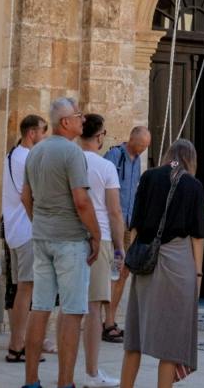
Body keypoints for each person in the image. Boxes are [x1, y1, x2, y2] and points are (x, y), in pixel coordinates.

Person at [21, 97, 104, 388]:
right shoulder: (72, 153)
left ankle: (31, 381)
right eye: (79, 116)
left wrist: (40, 222)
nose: (83, 120)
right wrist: (96, 234)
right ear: (65, 122)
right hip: (69, 240)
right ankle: (65, 382)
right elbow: (81, 201)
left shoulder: (35, 151)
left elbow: (25, 197)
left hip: (42, 237)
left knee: (40, 307)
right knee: (71, 311)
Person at [121, 138, 204, 388]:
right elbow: (197, 235)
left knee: (135, 335)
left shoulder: (149, 177)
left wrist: (134, 258)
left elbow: (134, 224)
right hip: (178, 261)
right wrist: (198, 273)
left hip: (147, 258)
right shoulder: (193, 185)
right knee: (171, 342)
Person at [79, 115, 127, 388]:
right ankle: (92, 372)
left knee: (70, 308)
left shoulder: (69, 160)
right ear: (100, 136)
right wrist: (120, 248)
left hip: (72, 237)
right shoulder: (105, 166)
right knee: (94, 307)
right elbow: (115, 210)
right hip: (101, 237)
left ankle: (66, 370)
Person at [4, 113, 48, 364]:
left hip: (14, 230)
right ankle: (18, 345)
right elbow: (29, 197)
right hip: (27, 231)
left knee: (22, 288)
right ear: (32, 133)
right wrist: (38, 222)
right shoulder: (29, 158)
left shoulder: (11, 155)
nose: (45, 136)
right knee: (26, 289)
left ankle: (18, 343)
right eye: (43, 131)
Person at [102, 124, 150, 345]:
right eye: (140, 145)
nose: (141, 150)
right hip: (114, 223)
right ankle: (107, 322)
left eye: (145, 147)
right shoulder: (115, 155)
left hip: (129, 224)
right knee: (110, 272)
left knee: (122, 273)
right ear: (131, 139)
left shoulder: (137, 160)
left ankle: (110, 321)